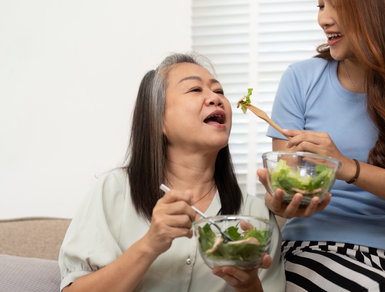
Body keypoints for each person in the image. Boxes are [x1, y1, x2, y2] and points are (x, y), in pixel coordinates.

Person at [258, 0, 385, 291]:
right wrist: (280, 203)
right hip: (309, 251)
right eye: (321, 4)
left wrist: (347, 167)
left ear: (376, 7)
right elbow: (287, 194)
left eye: (338, 5)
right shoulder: (300, 78)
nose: (323, 18)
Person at [58, 53, 286, 292]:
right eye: (195, 89)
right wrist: (150, 244)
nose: (215, 99)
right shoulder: (113, 191)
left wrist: (249, 285)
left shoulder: (255, 216)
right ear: (158, 120)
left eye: (219, 91)